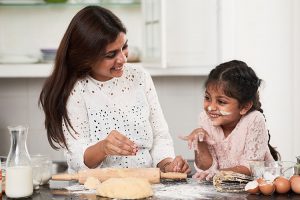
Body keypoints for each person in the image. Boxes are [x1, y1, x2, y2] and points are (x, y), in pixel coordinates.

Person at [39, 6, 190, 174]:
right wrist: (103, 148)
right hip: (93, 190)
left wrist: (168, 164)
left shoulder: (140, 77)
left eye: (124, 47)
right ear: (86, 58)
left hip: (144, 185)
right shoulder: (77, 90)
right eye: (111, 55)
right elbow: (76, 158)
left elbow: (160, 137)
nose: (122, 59)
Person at [181, 60, 280, 180]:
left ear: (244, 107)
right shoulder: (205, 118)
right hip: (224, 189)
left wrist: (218, 174)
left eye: (221, 102)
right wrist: (200, 142)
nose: (211, 107)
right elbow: (207, 169)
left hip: (259, 188)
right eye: (207, 98)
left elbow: (252, 168)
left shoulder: (254, 120)